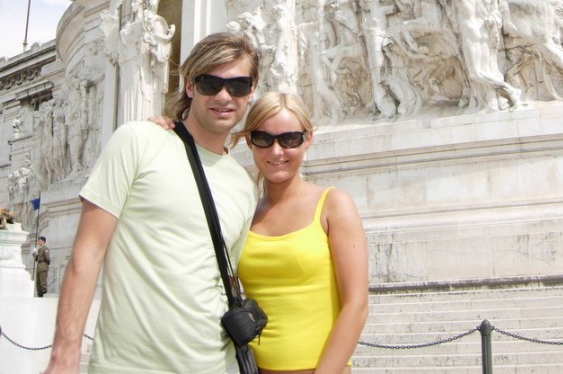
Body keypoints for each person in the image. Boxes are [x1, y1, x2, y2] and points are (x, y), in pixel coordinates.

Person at [43, 31, 260, 374]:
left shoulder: (245, 185)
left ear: (251, 91)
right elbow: (87, 253)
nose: (224, 95)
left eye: (237, 86)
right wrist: (63, 356)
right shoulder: (137, 141)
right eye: (209, 83)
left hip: (217, 365)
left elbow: (223, 277)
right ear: (189, 85)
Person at [236, 92, 369, 374]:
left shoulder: (334, 204)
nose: (276, 151)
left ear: (308, 139)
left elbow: (356, 306)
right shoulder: (243, 215)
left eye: (290, 139)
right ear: (249, 140)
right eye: (263, 138)